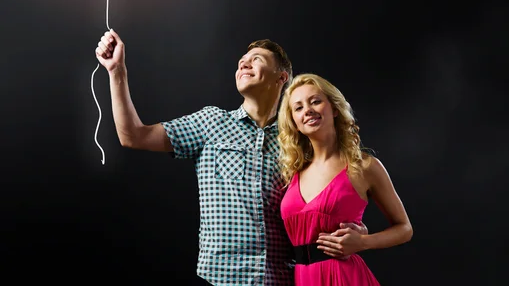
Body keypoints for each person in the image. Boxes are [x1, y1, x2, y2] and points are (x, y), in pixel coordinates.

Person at [94, 29, 366, 286]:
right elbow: (133, 135)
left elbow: (325, 202)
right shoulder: (210, 122)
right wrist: (117, 71)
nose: (244, 65)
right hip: (221, 279)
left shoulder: (299, 142)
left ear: (281, 78)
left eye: (255, 60)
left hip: (283, 279)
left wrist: (357, 232)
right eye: (241, 62)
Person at [277, 73, 413, 285]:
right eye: (298, 107)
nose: (308, 110)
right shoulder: (292, 172)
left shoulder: (365, 166)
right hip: (301, 278)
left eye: (315, 101)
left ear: (334, 108)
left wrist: (363, 241)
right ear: (294, 122)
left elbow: (404, 228)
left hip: (343, 278)